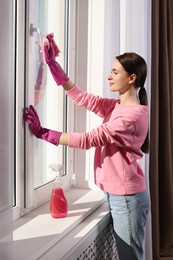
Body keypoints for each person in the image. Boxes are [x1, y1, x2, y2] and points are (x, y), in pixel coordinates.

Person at [23, 33, 150, 260]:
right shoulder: (117, 105)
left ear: (131, 78)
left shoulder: (130, 117)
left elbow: (87, 139)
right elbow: (83, 98)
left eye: (114, 72)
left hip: (127, 198)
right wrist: (53, 65)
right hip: (118, 194)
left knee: (130, 257)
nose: (109, 76)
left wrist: (44, 133)